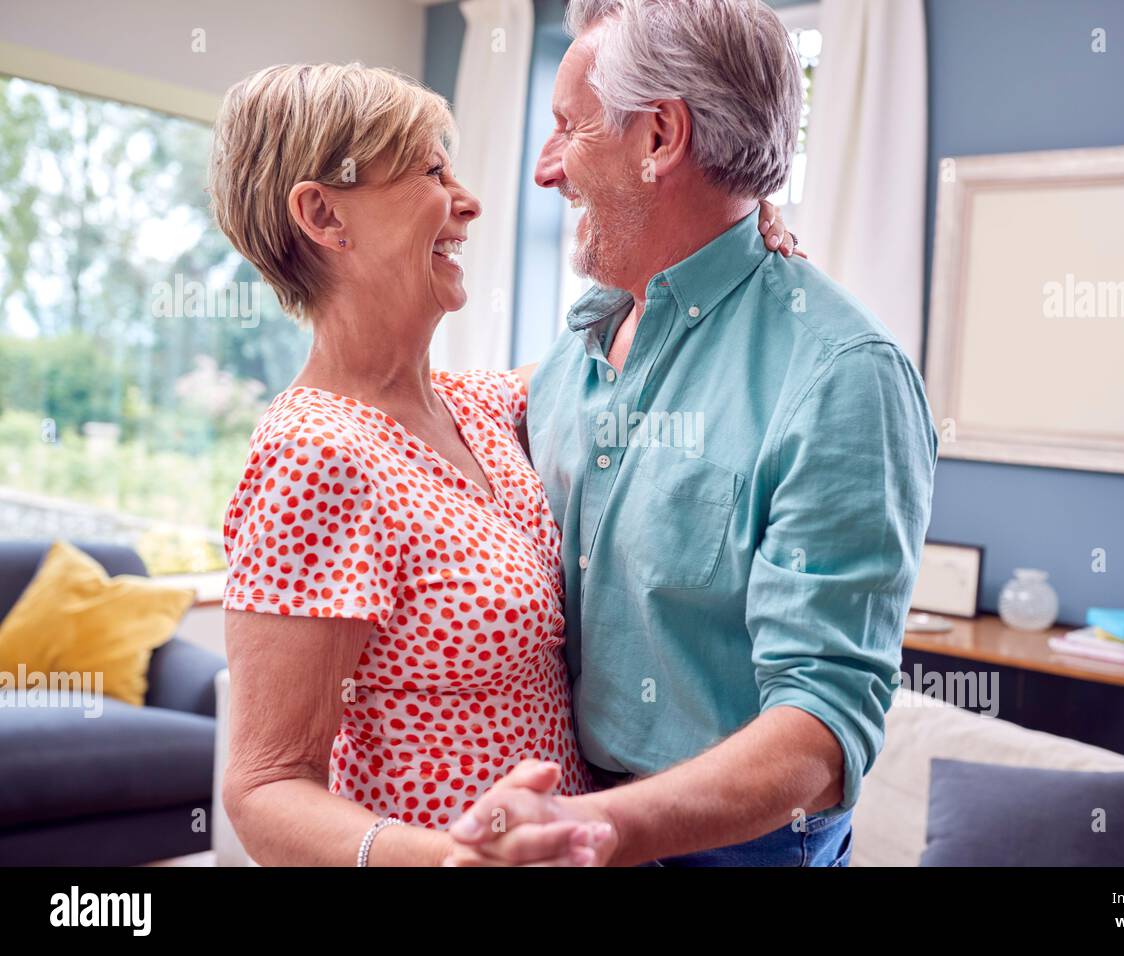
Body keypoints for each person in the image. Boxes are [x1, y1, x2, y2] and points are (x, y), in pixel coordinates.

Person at [210, 61, 797, 865]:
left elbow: (629, 344)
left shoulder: (477, 406)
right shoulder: (314, 455)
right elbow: (266, 787)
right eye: (429, 170)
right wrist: (451, 861)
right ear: (324, 215)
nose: (469, 200)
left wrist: (734, 227)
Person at [444, 0, 938, 867]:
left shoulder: (841, 374)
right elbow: (431, 415)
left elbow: (820, 733)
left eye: (568, 128)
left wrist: (605, 830)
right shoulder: (576, 350)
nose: (545, 171)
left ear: (661, 137)